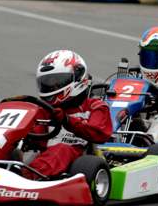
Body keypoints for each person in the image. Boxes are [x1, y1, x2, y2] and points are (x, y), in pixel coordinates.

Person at [26, 50, 113, 179]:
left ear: (77, 78)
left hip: (81, 160)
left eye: (56, 82)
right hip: (45, 157)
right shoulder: (45, 110)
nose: (51, 87)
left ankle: (27, 177)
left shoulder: (96, 107)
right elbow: (37, 138)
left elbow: (98, 133)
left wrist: (67, 121)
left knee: (61, 149)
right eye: (47, 82)